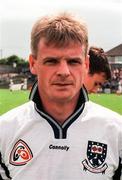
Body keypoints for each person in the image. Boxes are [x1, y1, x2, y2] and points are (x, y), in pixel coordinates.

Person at [0, 13, 122, 180]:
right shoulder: (4, 130)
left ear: (86, 65)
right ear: (33, 64)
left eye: (73, 62)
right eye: (51, 61)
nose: (64, 72)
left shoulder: (116, 131)